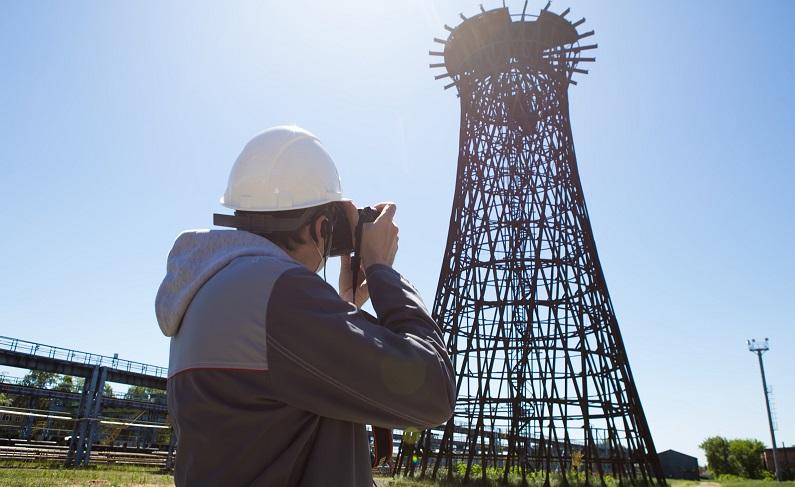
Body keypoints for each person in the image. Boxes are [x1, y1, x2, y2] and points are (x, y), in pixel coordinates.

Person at [155, 125, 456, 486]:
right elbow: (433, 390)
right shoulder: (278, 293)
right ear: (320, 229)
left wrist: (343, 305)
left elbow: (287, 399)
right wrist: (380, 270)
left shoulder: (207, 289)